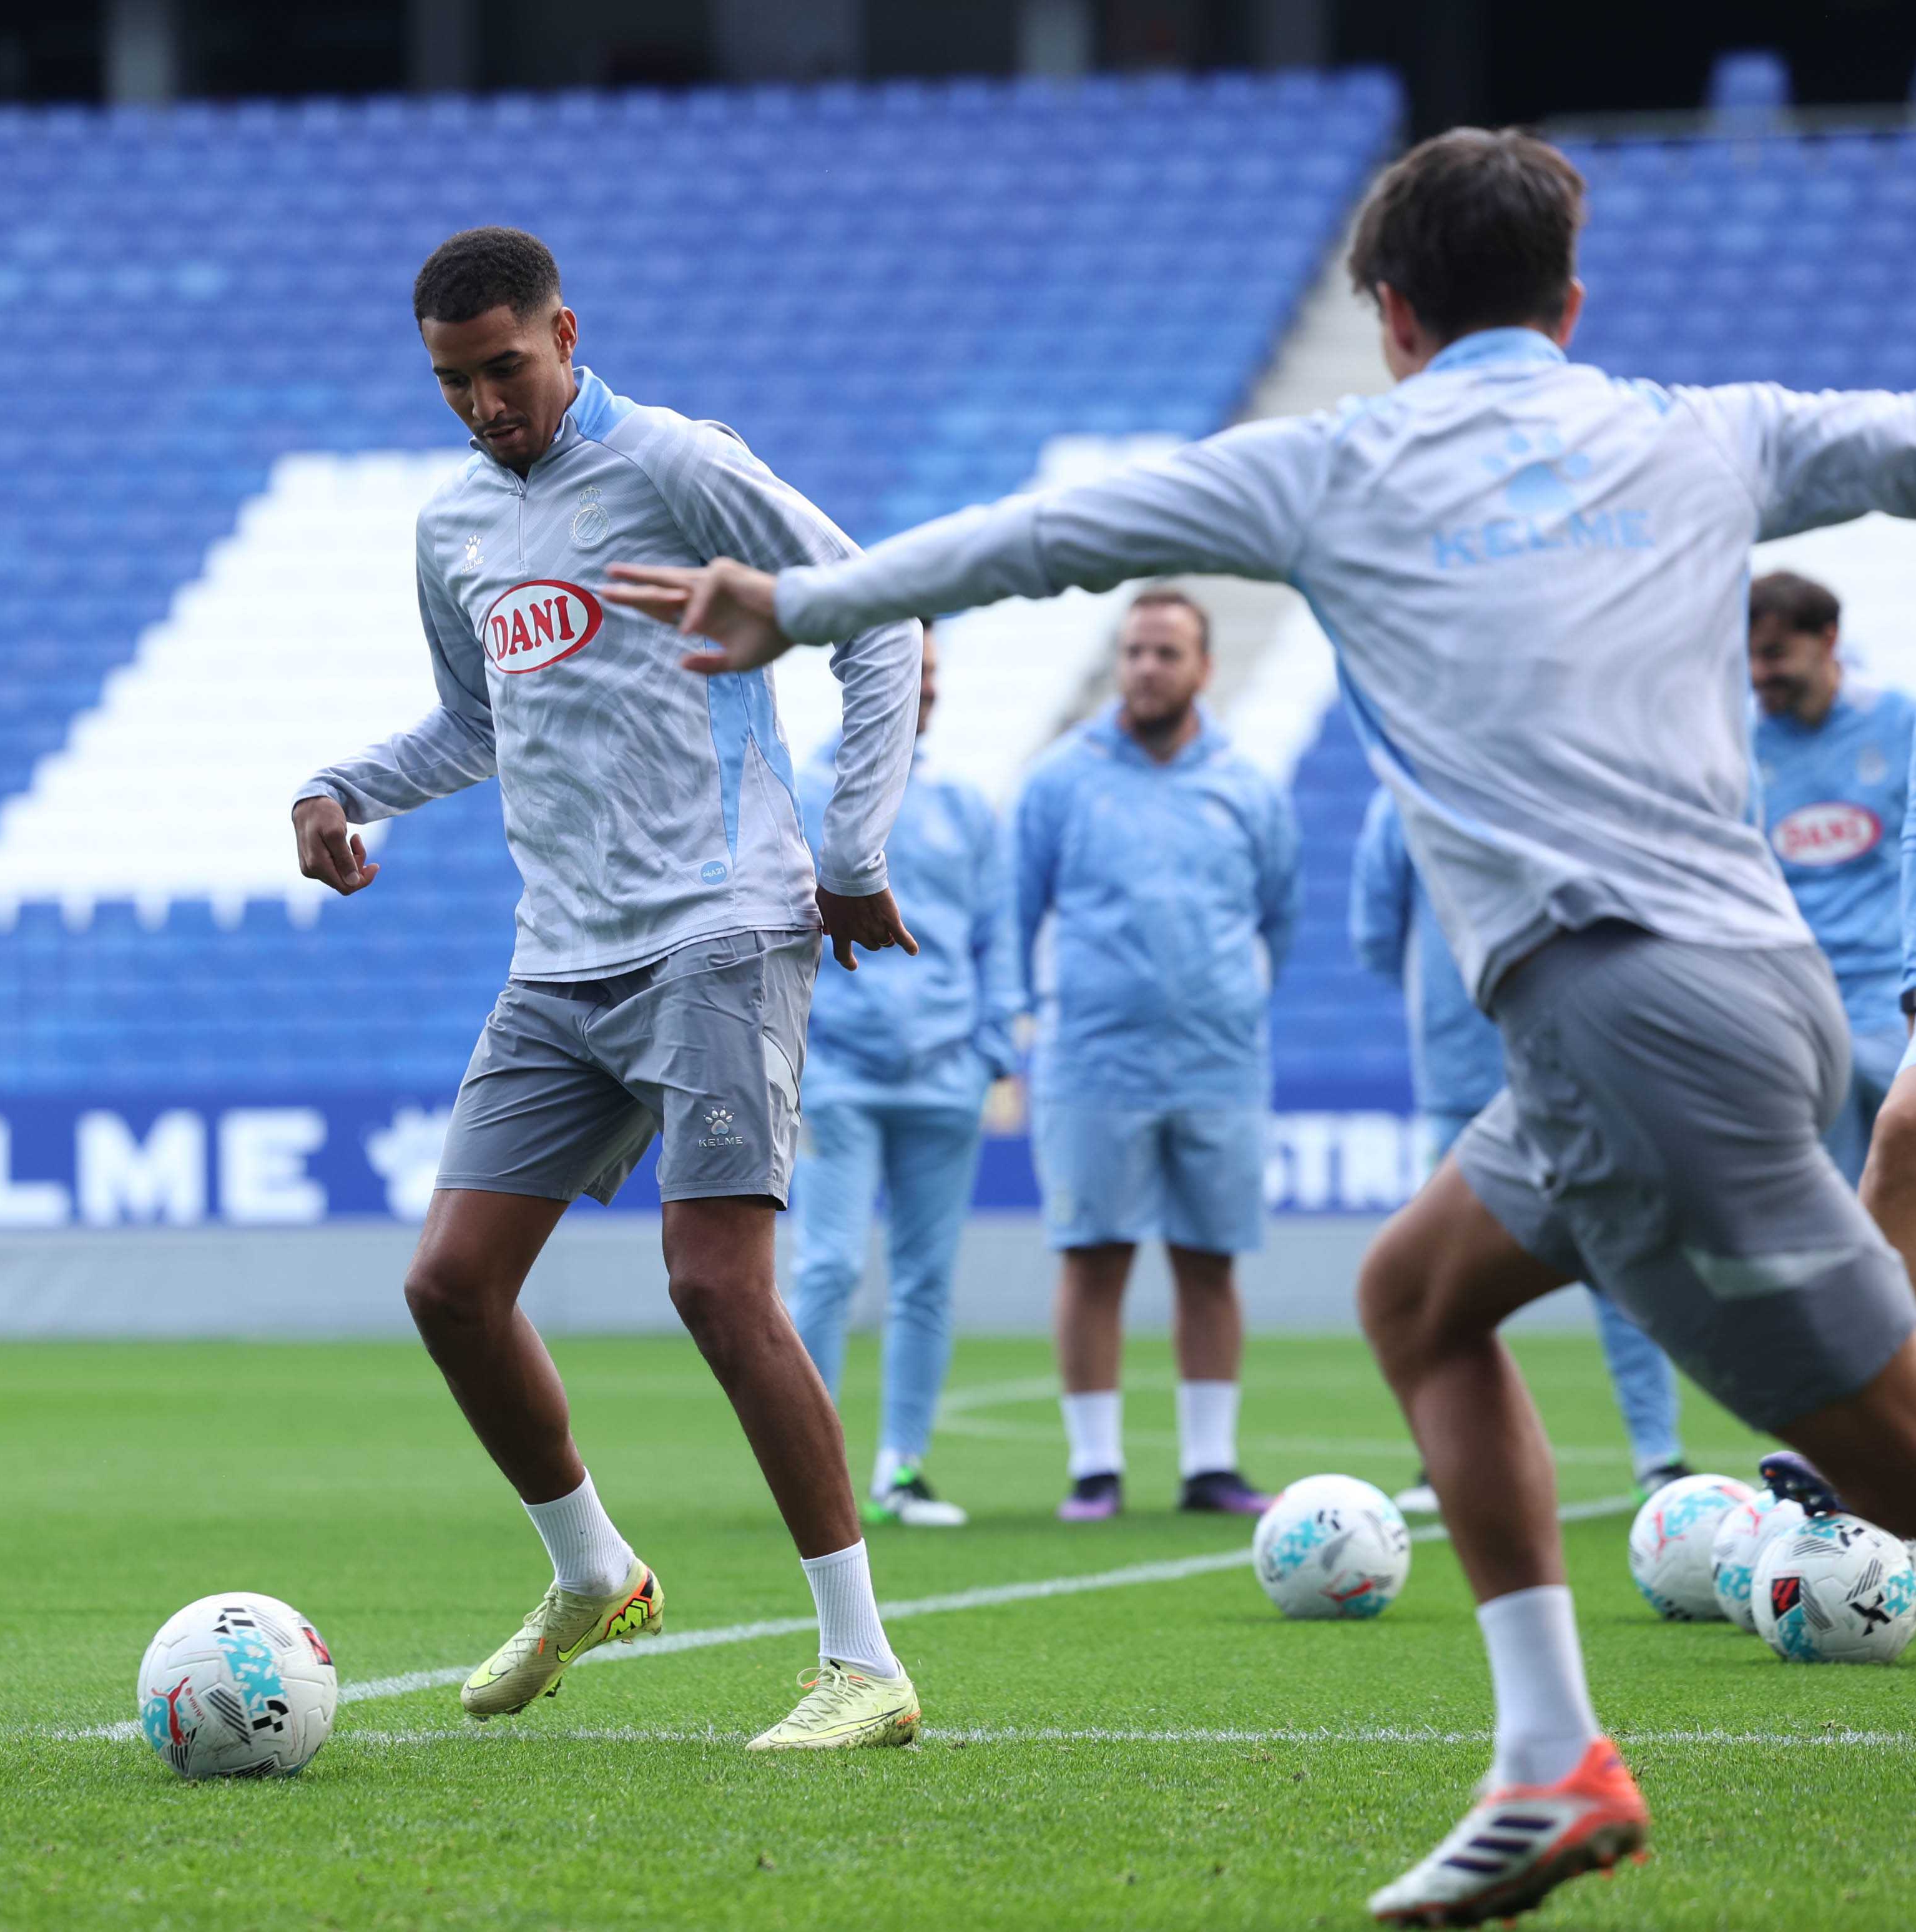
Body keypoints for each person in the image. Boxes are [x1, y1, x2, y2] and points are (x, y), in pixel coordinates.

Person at [609, 127, 1916, 1927]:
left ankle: (1554, 1756)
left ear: (1385, 314)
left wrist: (805, 603)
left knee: (1882, 1452)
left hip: (1631, 1011)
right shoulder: (1709, 430)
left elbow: (1057, 536)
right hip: (1699, 996)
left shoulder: (1339, 463)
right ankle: (1551, 1762)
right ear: (1571, 299)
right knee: (1417, 1295)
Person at [290, 227, 926, 1750]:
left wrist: (852, 848)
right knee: (449, 1287)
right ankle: (592, 1572)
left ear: (566, 333)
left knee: (713, 1282)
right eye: (455, 382)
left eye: (506, 369)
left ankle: (864, 1662)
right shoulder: (453, 525)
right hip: (560, 954)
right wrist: (340, 786)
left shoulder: (682, 464)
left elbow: (882, 616)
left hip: (720, 925)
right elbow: (474, 723)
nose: (486, 406)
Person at [1011, 588, 1298, 1522]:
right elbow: (1016, 913)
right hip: (1094, 1057)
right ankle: (1095, 1466)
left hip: (1218, 1058)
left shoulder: (1247, 786)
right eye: (1134, 650)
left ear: (1203, 669)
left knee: (1209, 1257)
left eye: (1167, 652)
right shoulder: (1060, 778)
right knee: (1093, 1253)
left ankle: (1209, 1463)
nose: (1146, 667)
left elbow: (1277, 918)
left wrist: (1231, 1001)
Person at [1350, 790, 1692, 1509]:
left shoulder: (1552, 776)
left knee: (1619, 1260)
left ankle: (1658, 1452)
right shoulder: (1402, 803)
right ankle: (1441, 1459)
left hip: (1576, 1063)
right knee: (1444, 1281)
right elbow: (1377, 933)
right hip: (1461, 1075)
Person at [785, 623, 1023, 1529]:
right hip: (840, 1068)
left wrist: (988, 1053)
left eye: (932, 674)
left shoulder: (965, 805)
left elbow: (996, 936)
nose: (923, 689)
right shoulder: (802, 788)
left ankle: (903, 1468)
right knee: (829, 1264)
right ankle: (811, 1467)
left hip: (944, 1074)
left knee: (926, 1277)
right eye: (908, 672)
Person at [1749, 569, 1914, 1182]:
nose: (1759, 674)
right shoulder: (1739, 741)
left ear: (1828, 638)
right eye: (1749, 658)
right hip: (1799, 1013)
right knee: (1830, 1201)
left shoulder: (1899, 721)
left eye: (1775, 653)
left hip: (1894, 1006)